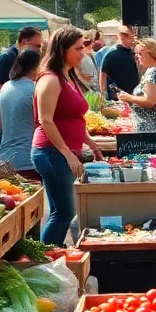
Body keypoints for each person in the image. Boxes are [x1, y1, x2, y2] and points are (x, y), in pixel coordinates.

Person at [33, 28, 104, 245]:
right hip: (52, 152)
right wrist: (67, 153)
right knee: (63, 213)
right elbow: (46, 120)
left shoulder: (68, 77)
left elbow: (75, 119)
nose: (83, 52)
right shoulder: (50, 79)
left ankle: (51, 256)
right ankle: (45, 260)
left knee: (61, 211)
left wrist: (92, 145)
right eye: (78, 48)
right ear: (62, 49)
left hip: (63, 152)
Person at [0, 27, 43, 150]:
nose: (39, 50)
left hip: (7, 105)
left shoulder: (20, 57)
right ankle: (1, 169)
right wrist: (15, 93)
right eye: (37, 46)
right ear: (25, 42)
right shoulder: (7, 57)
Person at [0, 48, 41, 181]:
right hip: (29, 162)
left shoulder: (4, 87)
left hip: (3, 161)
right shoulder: (35, 91)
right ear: (36, 68)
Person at [117, 38, 156, 133]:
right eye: (136, 54)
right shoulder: (155, 71)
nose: (137, 57)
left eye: (139, 53)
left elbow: (149, 101)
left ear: (150, 53)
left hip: (152, 131)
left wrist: (128, 97)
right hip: (151, 130)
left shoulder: (154, 73)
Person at [99, 25, 140, 100]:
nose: (134, 40)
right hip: (117, 96)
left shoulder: (134, 52)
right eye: (132, 38)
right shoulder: (112, 53)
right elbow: (103, 73)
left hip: (133, 94)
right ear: (123, 38)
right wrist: (103, 94)